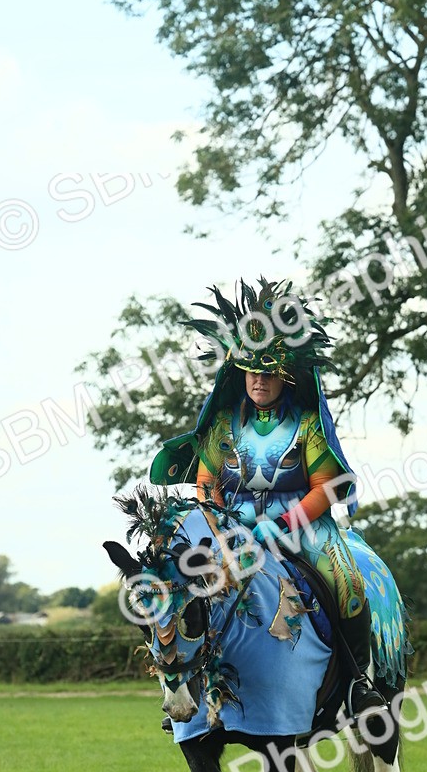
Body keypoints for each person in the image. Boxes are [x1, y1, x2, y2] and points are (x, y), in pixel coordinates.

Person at [150, 278, 386, 718]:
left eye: (268, 371)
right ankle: (189, 686)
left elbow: (325, 488)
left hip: (304, 529)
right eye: (251, 371)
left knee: (349, 585)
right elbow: (206, 483)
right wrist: (220, 527)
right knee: (181, 584)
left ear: (286, 374)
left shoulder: (308, 424)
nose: (258, 380)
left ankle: (359, 684)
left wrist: (280, 526)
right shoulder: (222, 424)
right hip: (231, 531)